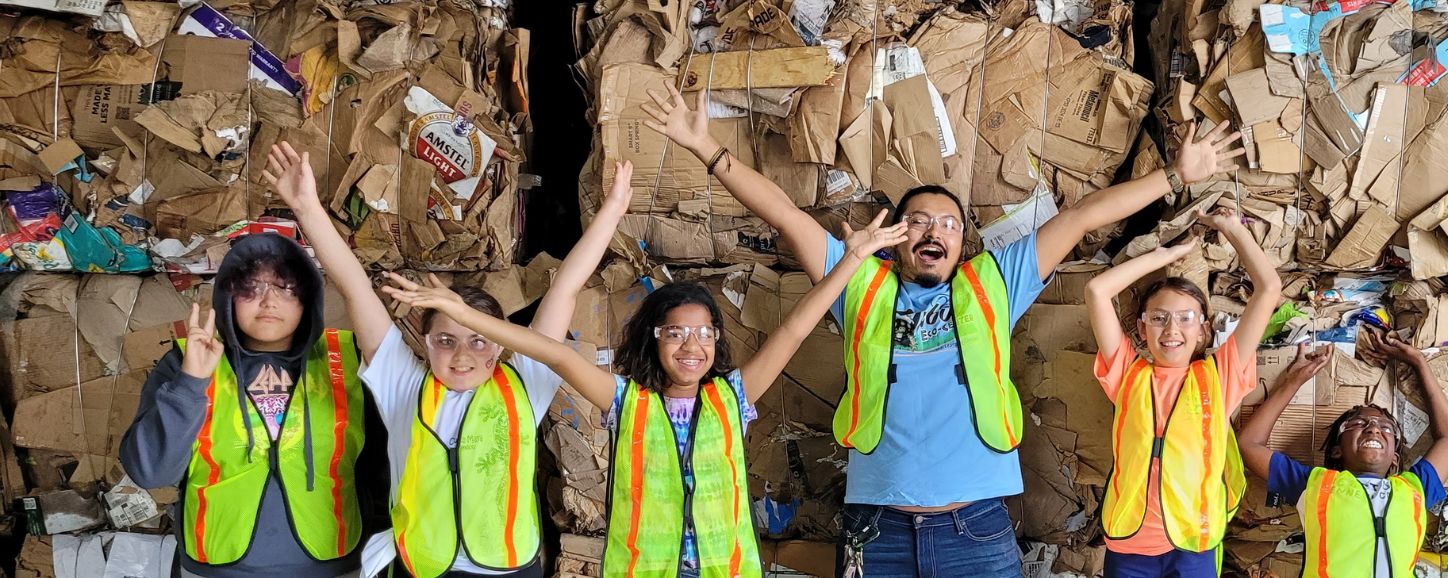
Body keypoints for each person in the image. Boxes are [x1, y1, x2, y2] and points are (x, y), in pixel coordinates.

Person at [641, 81, 1244, 577]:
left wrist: (1174, 175)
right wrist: (706, 149)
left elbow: (1082, 216)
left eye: (949, 224)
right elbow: (782, 213)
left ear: (963, 241)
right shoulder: (858, 282)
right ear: (899, 237)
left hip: (975, 529)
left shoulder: (994, 283)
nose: (934, 231)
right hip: (875, 529)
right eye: (919, 221)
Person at [380, 212, 905, 578]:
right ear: (653, 339)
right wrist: (472, 319)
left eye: (704, 333)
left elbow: (793, 329)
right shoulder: (626, 401)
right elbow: (556, 354)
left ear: (717, 342)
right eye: (675, 332)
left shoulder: (733, 397)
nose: (691, 345)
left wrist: (852, 259)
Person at [259, 143, 631, 577]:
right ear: (426, 340)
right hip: (424, 569)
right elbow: (355, 288)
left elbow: (566, 288)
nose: (461, 356)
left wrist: (614, 211)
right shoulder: (404, 385)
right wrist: (307, 208)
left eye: (478, 341)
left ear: (498, 345)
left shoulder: (525, 384)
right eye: (446, 340)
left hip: (510, 570)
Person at [120, 230, 384, 578]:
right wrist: (191, 383)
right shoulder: (189, 359)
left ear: (308, 298)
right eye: (251, 288)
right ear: (228, 296)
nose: (269, 301)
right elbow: (151, 473)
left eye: (286, 288)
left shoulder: (346, 357)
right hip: (217, 566)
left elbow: (383, 463)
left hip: (334, 563)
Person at [1084, 209, 1283, 577]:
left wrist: (1230, 228)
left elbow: (1269, 289)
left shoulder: (1220, 376)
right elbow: (1097, 291)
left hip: (1193, 542)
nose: (1171, 328)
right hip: (1129, 543)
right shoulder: (1127, 375)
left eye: (1186, 318)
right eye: (1158, 317)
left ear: (1203, 331)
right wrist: (1162, 257)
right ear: (1142, 330)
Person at [1237, 326, 1448, 578]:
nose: (1374, 429)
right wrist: (1293, 381)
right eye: (1357, 424)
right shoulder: (1315, 485)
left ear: (1395, 458)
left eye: (1386, 428)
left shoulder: (1415, 489)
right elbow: (1248, 444)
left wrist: (1419, 361)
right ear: (1336, 450)